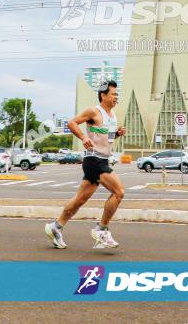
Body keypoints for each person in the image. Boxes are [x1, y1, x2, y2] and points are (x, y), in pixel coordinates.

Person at [45, 80, 125, 249]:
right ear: (103, 95)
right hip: (94, 160)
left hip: (101, 159)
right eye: (113, 94)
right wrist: (83, 137)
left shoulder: (112, 116)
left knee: (80, 200)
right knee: (118, 192)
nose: (116, 97)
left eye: (117, 94)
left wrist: (117, 134)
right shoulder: (94, 111)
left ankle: (55, 227)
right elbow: (72, 123)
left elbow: (105, 138)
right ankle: (101, 230)